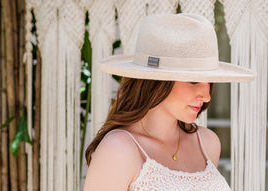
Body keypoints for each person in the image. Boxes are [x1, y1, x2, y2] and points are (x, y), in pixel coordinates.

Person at [84, 13, 255, 190]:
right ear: (157, 81)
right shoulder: (119, 148)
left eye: (209, 82)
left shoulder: (208, 143)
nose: (206, 96)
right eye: (194, 81)